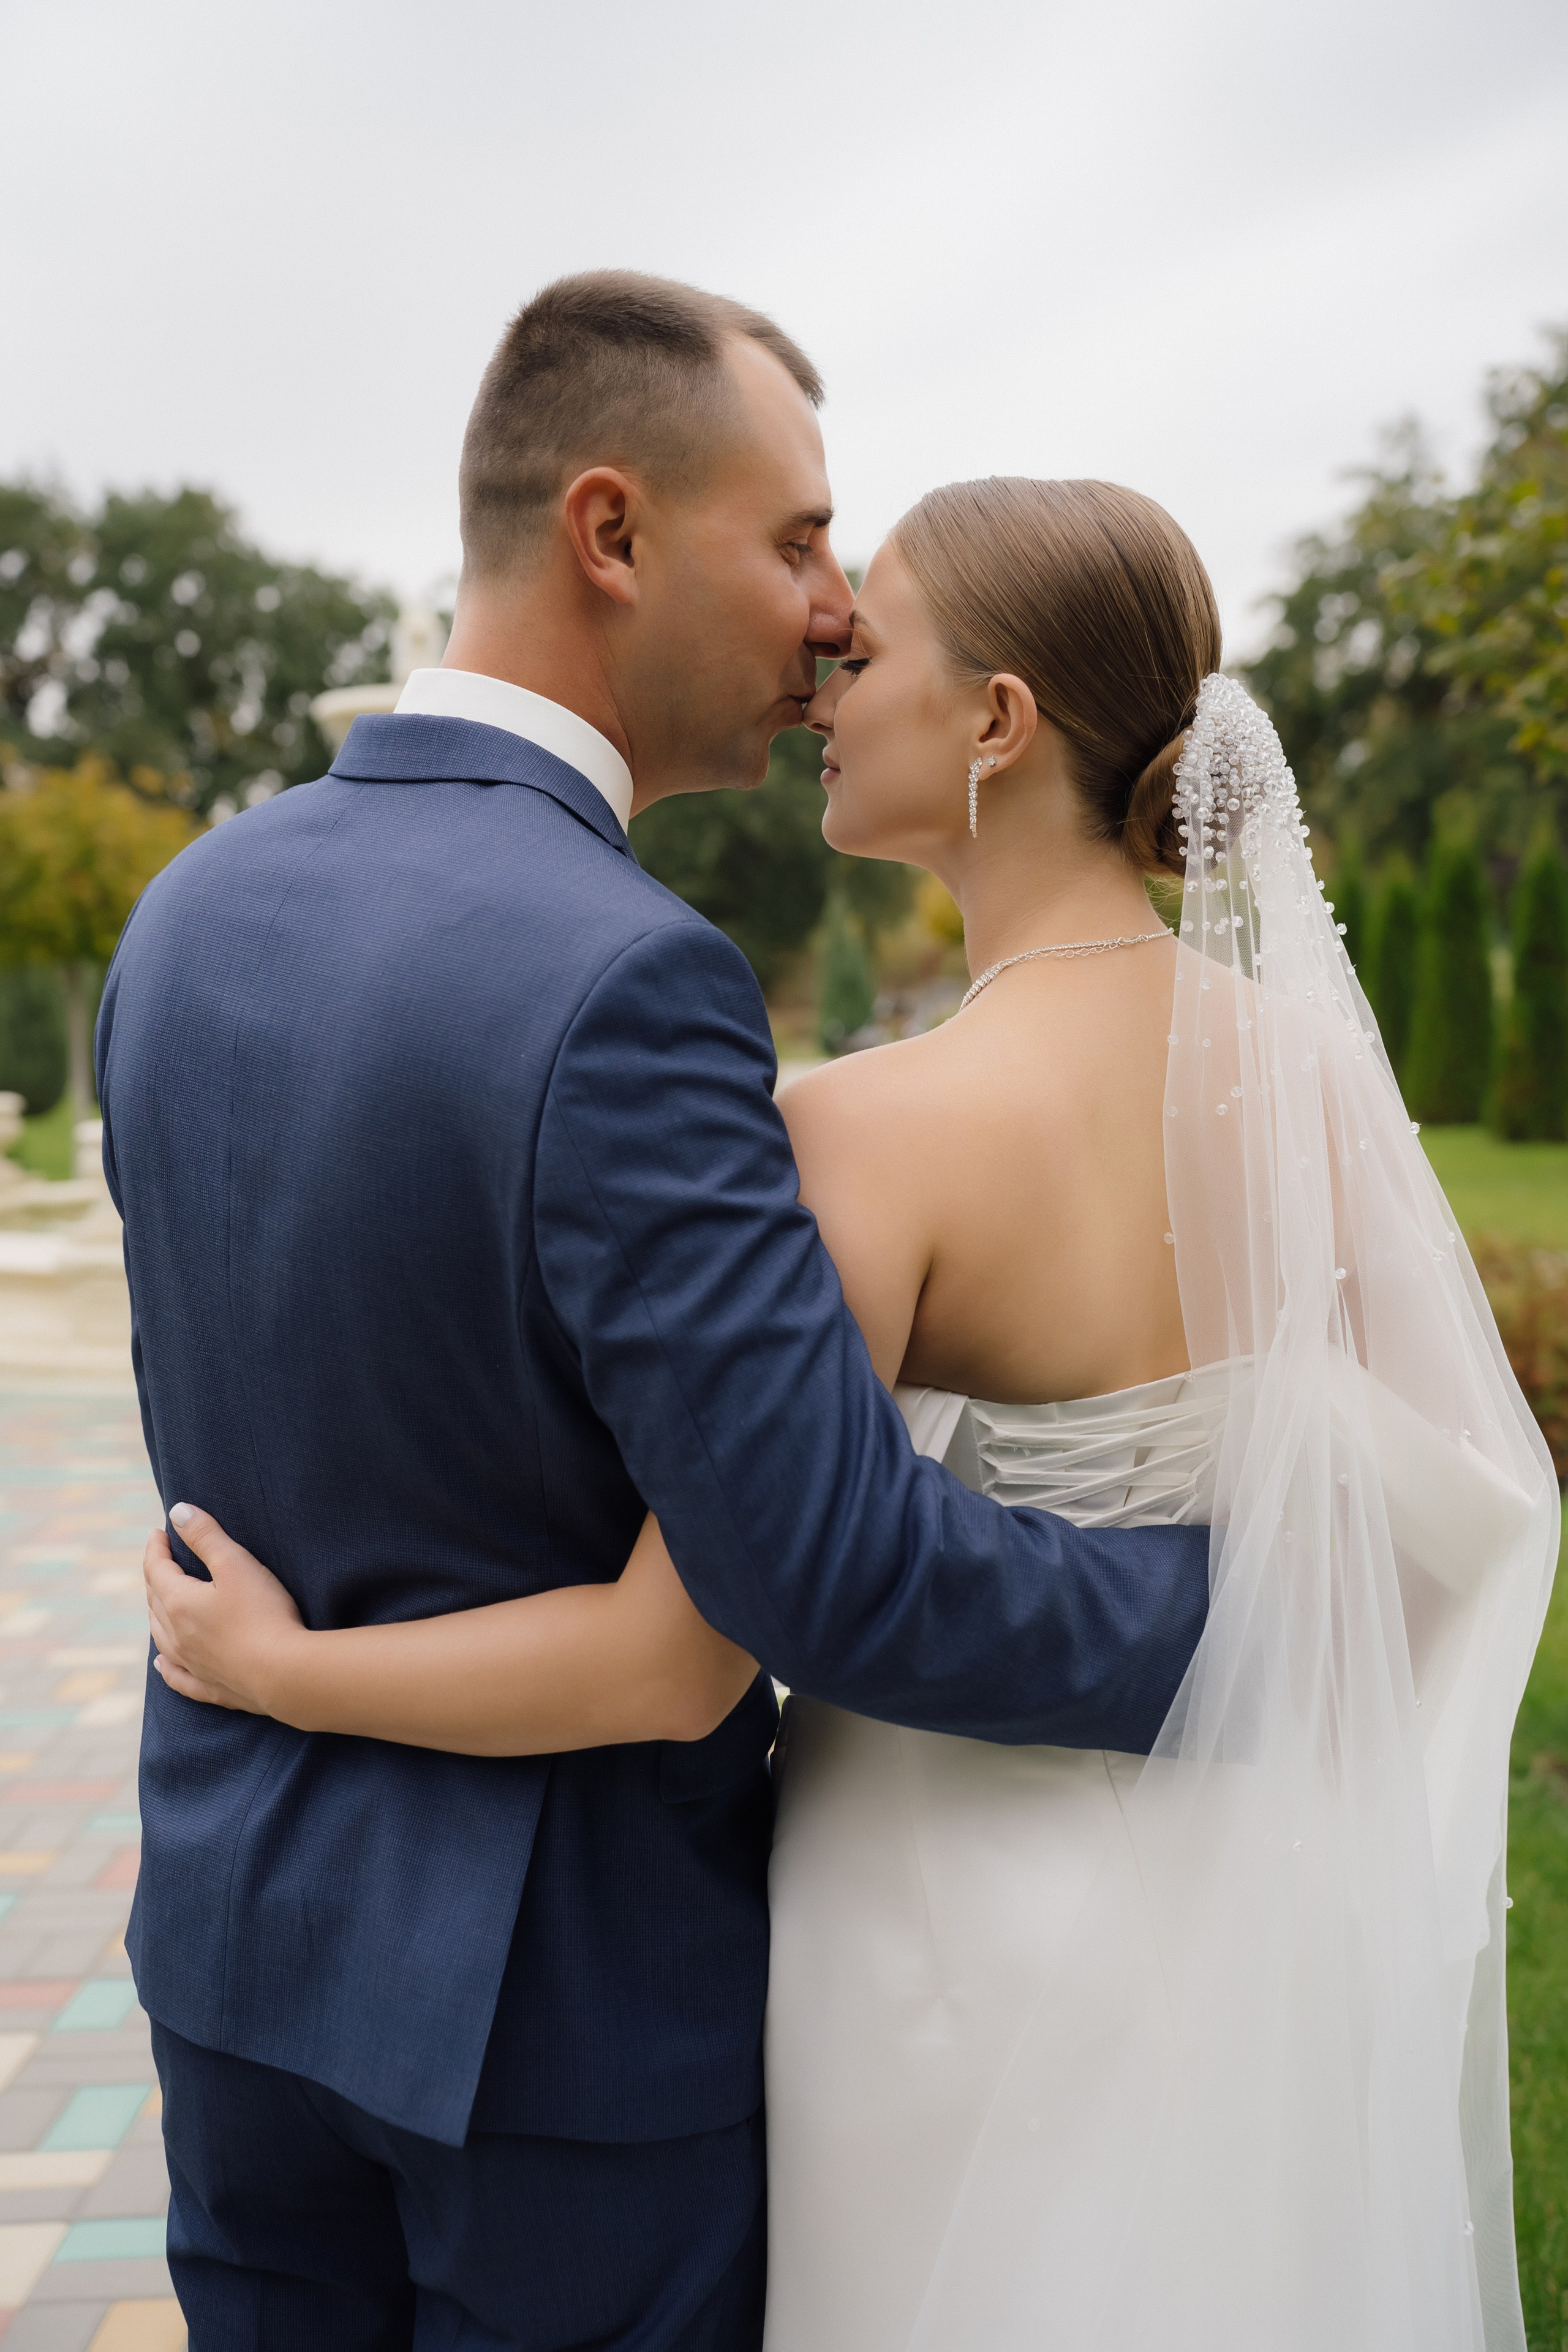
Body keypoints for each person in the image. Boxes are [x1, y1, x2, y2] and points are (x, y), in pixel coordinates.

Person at [146, 477, 1556, 2352]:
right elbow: (1456, 1495)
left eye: (867, 644)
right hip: (1250, 1890)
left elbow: (680, 1647)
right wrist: (1280, 1639)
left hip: (936, 1917)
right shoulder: (1305, 1068)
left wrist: (274, 1670)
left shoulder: (867, 1136)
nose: (823, 681)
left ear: (995, 723)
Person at [99, 277, 1214, 2352]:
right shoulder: (633, 978)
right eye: (797, 539)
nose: (829, 612)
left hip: (233, 1965)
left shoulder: (186, 916)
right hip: (557, 2045)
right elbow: (825, 1574)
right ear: (611, 533)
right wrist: (1249, 1621)